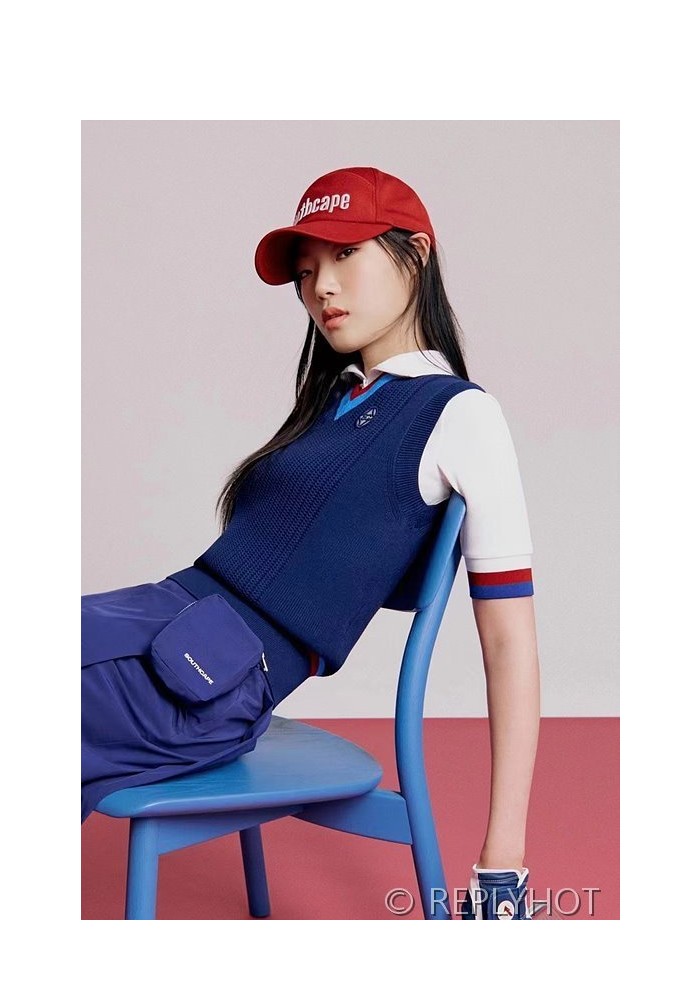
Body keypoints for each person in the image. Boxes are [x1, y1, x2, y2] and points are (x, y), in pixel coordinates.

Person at [82, 165, 540, 920]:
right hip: (155, 619)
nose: (322, 287)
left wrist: (502, 870)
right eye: (306, 271)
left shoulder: (460, 415)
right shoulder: (337, 399)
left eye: (345, 255)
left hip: (202, 679)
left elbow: (510, 642)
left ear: (417, 254)